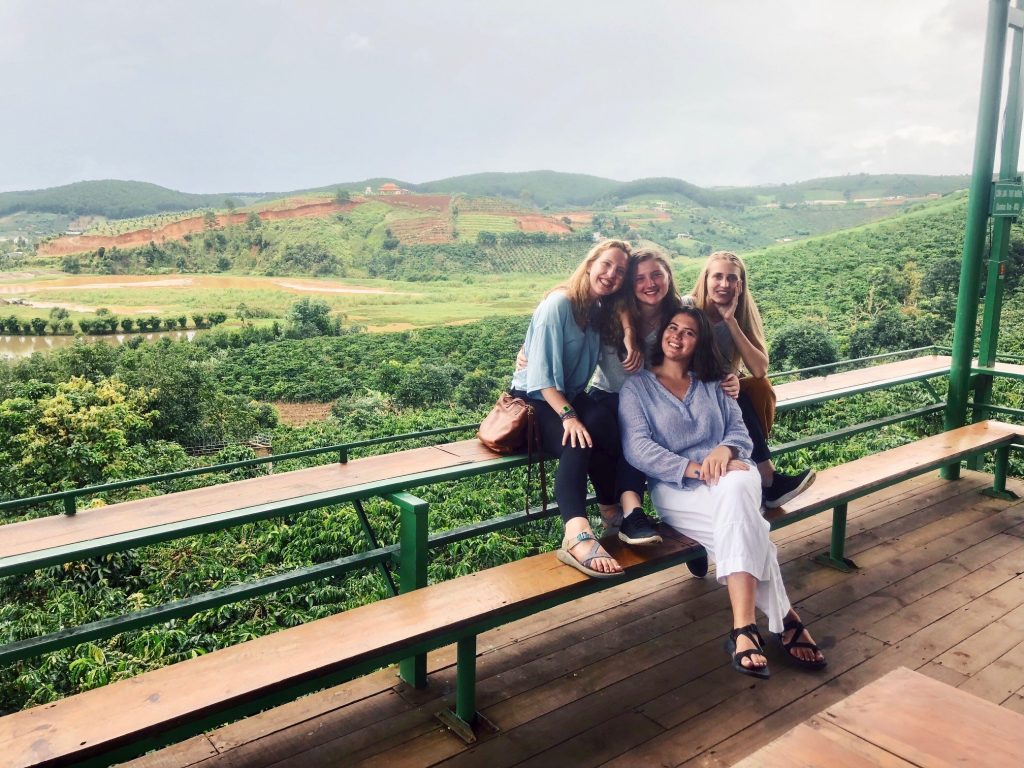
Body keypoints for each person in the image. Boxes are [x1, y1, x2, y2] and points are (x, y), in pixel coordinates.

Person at [619, 307, 826, 677]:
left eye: (689, 333)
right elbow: (638, 447)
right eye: (672, 328)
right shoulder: (637, 388)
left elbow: (740, 433)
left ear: (700, 343)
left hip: (733, 473)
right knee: (749, 530)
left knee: (735, 491)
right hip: (678, 487)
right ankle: (787, 617)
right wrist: (695, 468)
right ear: (662, 333)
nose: (677, 337)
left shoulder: (715, 382)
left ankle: (744, 628)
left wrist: (724, 450)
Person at [509, 239, 631, 579]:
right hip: (536, 396)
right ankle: (575, 534)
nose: (611, 275)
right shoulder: (559, 304)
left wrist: (630, 331)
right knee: (576, 438)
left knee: (607, 423)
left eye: (620, 271)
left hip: (570, 393)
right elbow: (542, 378)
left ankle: (611, 511)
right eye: (606, 265)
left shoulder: (598, 311)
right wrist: (569, 416)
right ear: (590, 263)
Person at [689, 251, 814, 508]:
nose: (724, 284)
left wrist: (730, 321)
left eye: (731, 278)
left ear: (740, 285)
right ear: (705, 279)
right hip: (692, 389)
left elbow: (759, 369)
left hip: (724, 391)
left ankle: (765, 481)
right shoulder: (688, 308)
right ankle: (768, 480)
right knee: (738, 395)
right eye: (718, 277)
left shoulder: (741, 314)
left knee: (747, 390)